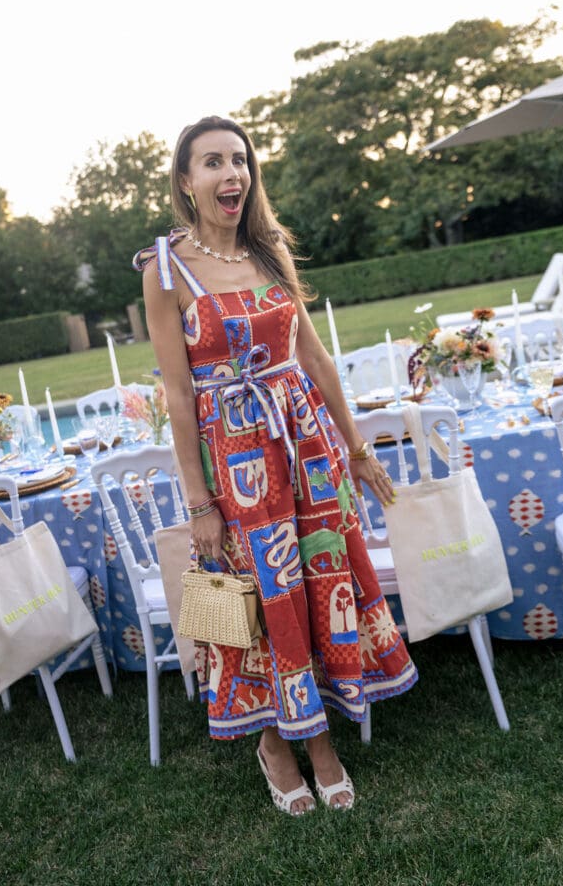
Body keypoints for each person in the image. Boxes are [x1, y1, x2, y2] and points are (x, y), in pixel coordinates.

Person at [134, 115, 417, 815]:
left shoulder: (268, 253)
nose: (231, 174)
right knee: (260, 599)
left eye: (239, 160)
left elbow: (314, 358)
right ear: (185, 181)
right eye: (212, 163)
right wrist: (198, 501)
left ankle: (322, 740)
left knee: (320, 581)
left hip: (304, 446)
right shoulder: (163, 270)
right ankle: (278, 745)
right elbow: (175, 393)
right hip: (233, 458)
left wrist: (354, 450)